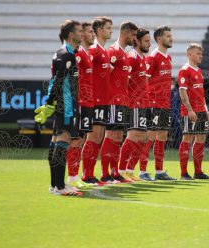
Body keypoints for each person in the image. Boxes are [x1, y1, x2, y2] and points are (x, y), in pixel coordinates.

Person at [34, 19, 83, 196]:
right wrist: (50, 103)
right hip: (67, 105)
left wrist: (51, 102)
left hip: (64, 103)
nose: (82, 34)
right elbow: (59, 80)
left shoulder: (61, 53)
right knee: (63, 141)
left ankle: (56, 185)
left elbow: (55, 80)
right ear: (71, 35)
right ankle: (60, 187)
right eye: (79, 31)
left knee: (56, 142)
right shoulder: (66, 54)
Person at [117, 27, 154, 181]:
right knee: (133, 135)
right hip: (134, 103)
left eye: (150, 41)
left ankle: (130, 170)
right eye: (146, 41)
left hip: (144, 103)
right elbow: (124, 81)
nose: (149, 44)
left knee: (144, 137)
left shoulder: (143, 59)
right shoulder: (131, 57)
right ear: (137, 41)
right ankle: (121, 170)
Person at [104, 21, 138, 183]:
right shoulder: (113, 51)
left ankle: (114, 172)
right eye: (132, 35)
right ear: (125, 33)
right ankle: (105, 174)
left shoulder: (124, 54)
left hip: (123, 102)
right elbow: (105, 76)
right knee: (110, 134)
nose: (134, 38)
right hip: (113, 101)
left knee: (117, 136)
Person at [84, 17, 117, 185]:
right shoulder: (94, 50)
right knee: (93, 137)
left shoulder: (104, 51)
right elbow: (84, 72)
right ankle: (86, 174)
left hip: (104, 101)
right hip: (94, 100)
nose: (111, 31)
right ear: (98, 30)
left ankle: (91, 174)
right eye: (108, 28)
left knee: (98, 137)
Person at [141, 26, 176, 180]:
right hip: (153, 102)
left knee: (162, 136)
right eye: (168, 36)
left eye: (171, 35)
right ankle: (142, 171)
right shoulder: (153, 57)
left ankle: (159, 171)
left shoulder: (168, 58)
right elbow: (145, 80)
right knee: (150, 136)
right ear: (160, 39)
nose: (171, 38)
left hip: (165, 103)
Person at [66, 21, 97, 188]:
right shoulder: (78, 54)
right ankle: (71, 177)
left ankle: (76, 176)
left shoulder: (87, 53)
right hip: (79, 102)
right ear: (82, 35)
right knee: (76, 140)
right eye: (90, 32)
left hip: (88, 102)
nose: (93, 35)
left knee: (82, 138)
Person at [177, 43, 209, 180]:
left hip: (201, 110)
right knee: (187, 137)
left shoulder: (198, 71)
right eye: (198, 53)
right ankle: (184, 173)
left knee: (201, 138)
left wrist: (204, 109)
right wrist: (189, 110)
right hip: (190, 112)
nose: (200, 56)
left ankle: (198, 172)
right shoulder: (185, 70)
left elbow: (201, 93)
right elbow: (182, 91)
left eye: (201, 54)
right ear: (190, 54)